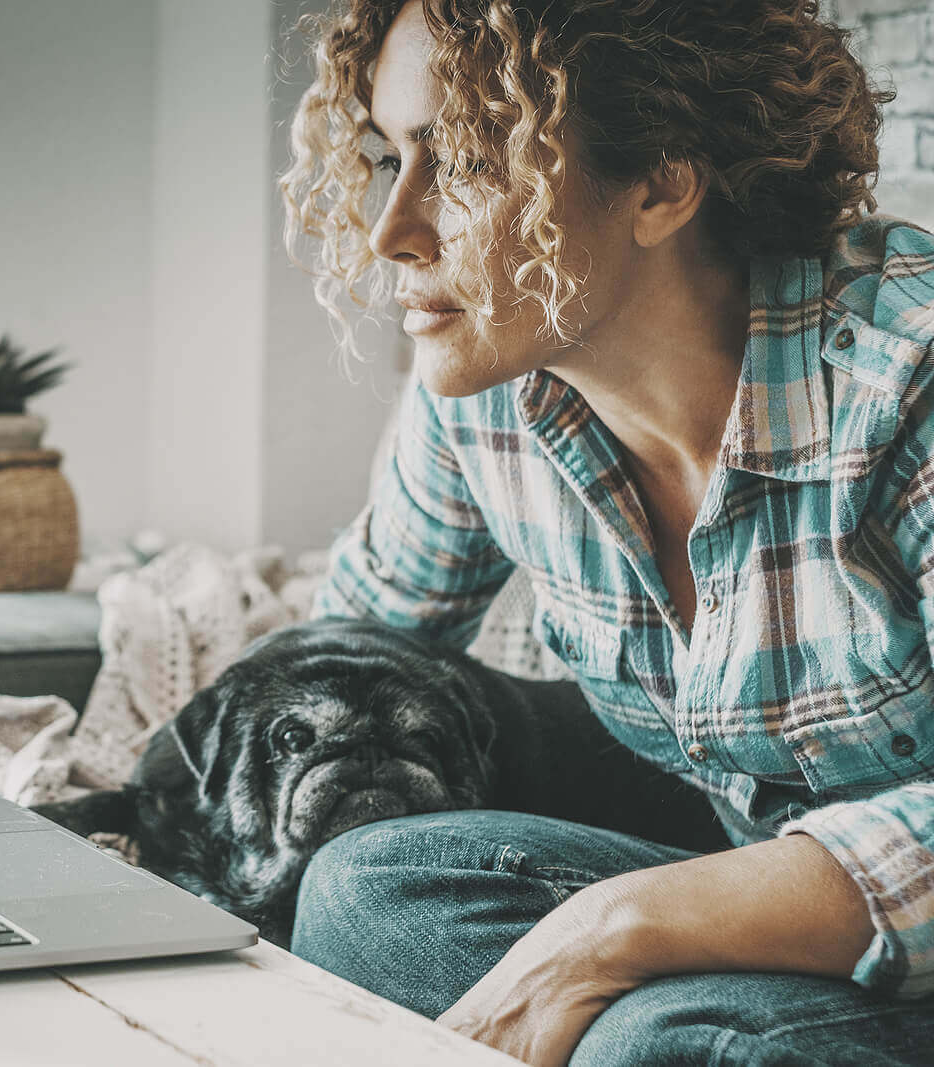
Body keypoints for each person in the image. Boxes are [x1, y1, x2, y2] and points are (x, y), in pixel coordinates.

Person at [279, 0, 934, 1064]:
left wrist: (607, 931)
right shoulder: (482, 399)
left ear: (662, 180)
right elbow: (345, 652)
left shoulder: (906, 377)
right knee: (364, 892)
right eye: (387, 156)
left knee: (661, 1033)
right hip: (784, 944)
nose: (390, 229)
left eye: (462, 160)